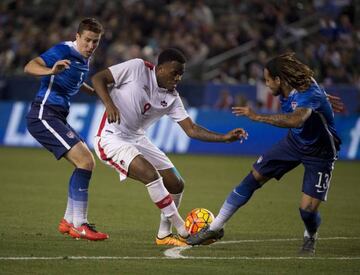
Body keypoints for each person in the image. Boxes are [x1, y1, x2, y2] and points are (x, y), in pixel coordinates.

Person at [187, 52, 342, 255]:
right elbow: (311, 100)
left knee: (307, 211)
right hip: (294, 142)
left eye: (268, 80)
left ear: (279, 79)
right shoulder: (302, 90)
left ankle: (310, 236)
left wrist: (257, 116)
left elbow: (296, 120)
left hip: (320, 152)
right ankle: (215, 228)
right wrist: (324, 98)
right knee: (252, 178)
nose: (267, 85)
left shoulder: (307, 93)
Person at [91, 48, 248, 246]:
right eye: (175, 72)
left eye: (181, 74)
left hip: (137, 138)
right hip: (111, 137)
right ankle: (183, 230)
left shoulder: (172, 98)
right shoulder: (137, 68)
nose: (178, 78)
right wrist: (109, 104)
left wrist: (224, 137)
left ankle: (164, 234)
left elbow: (191, 129)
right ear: (161, 68)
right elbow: (98, 78)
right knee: (151, 175)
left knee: (176, 183)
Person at [25, 18, 108, 241]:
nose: (91, 46)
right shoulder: (64, 50)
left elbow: (75, 80)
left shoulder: (83, 59)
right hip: (43, 113)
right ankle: (80, 224)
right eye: (88, 40)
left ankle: (68, 221)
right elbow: (30, 66)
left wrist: (96, 93)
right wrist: (51, 71)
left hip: (58, 116)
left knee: (84, 163)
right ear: (77, 37)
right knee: (86, 161)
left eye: (96, 42)